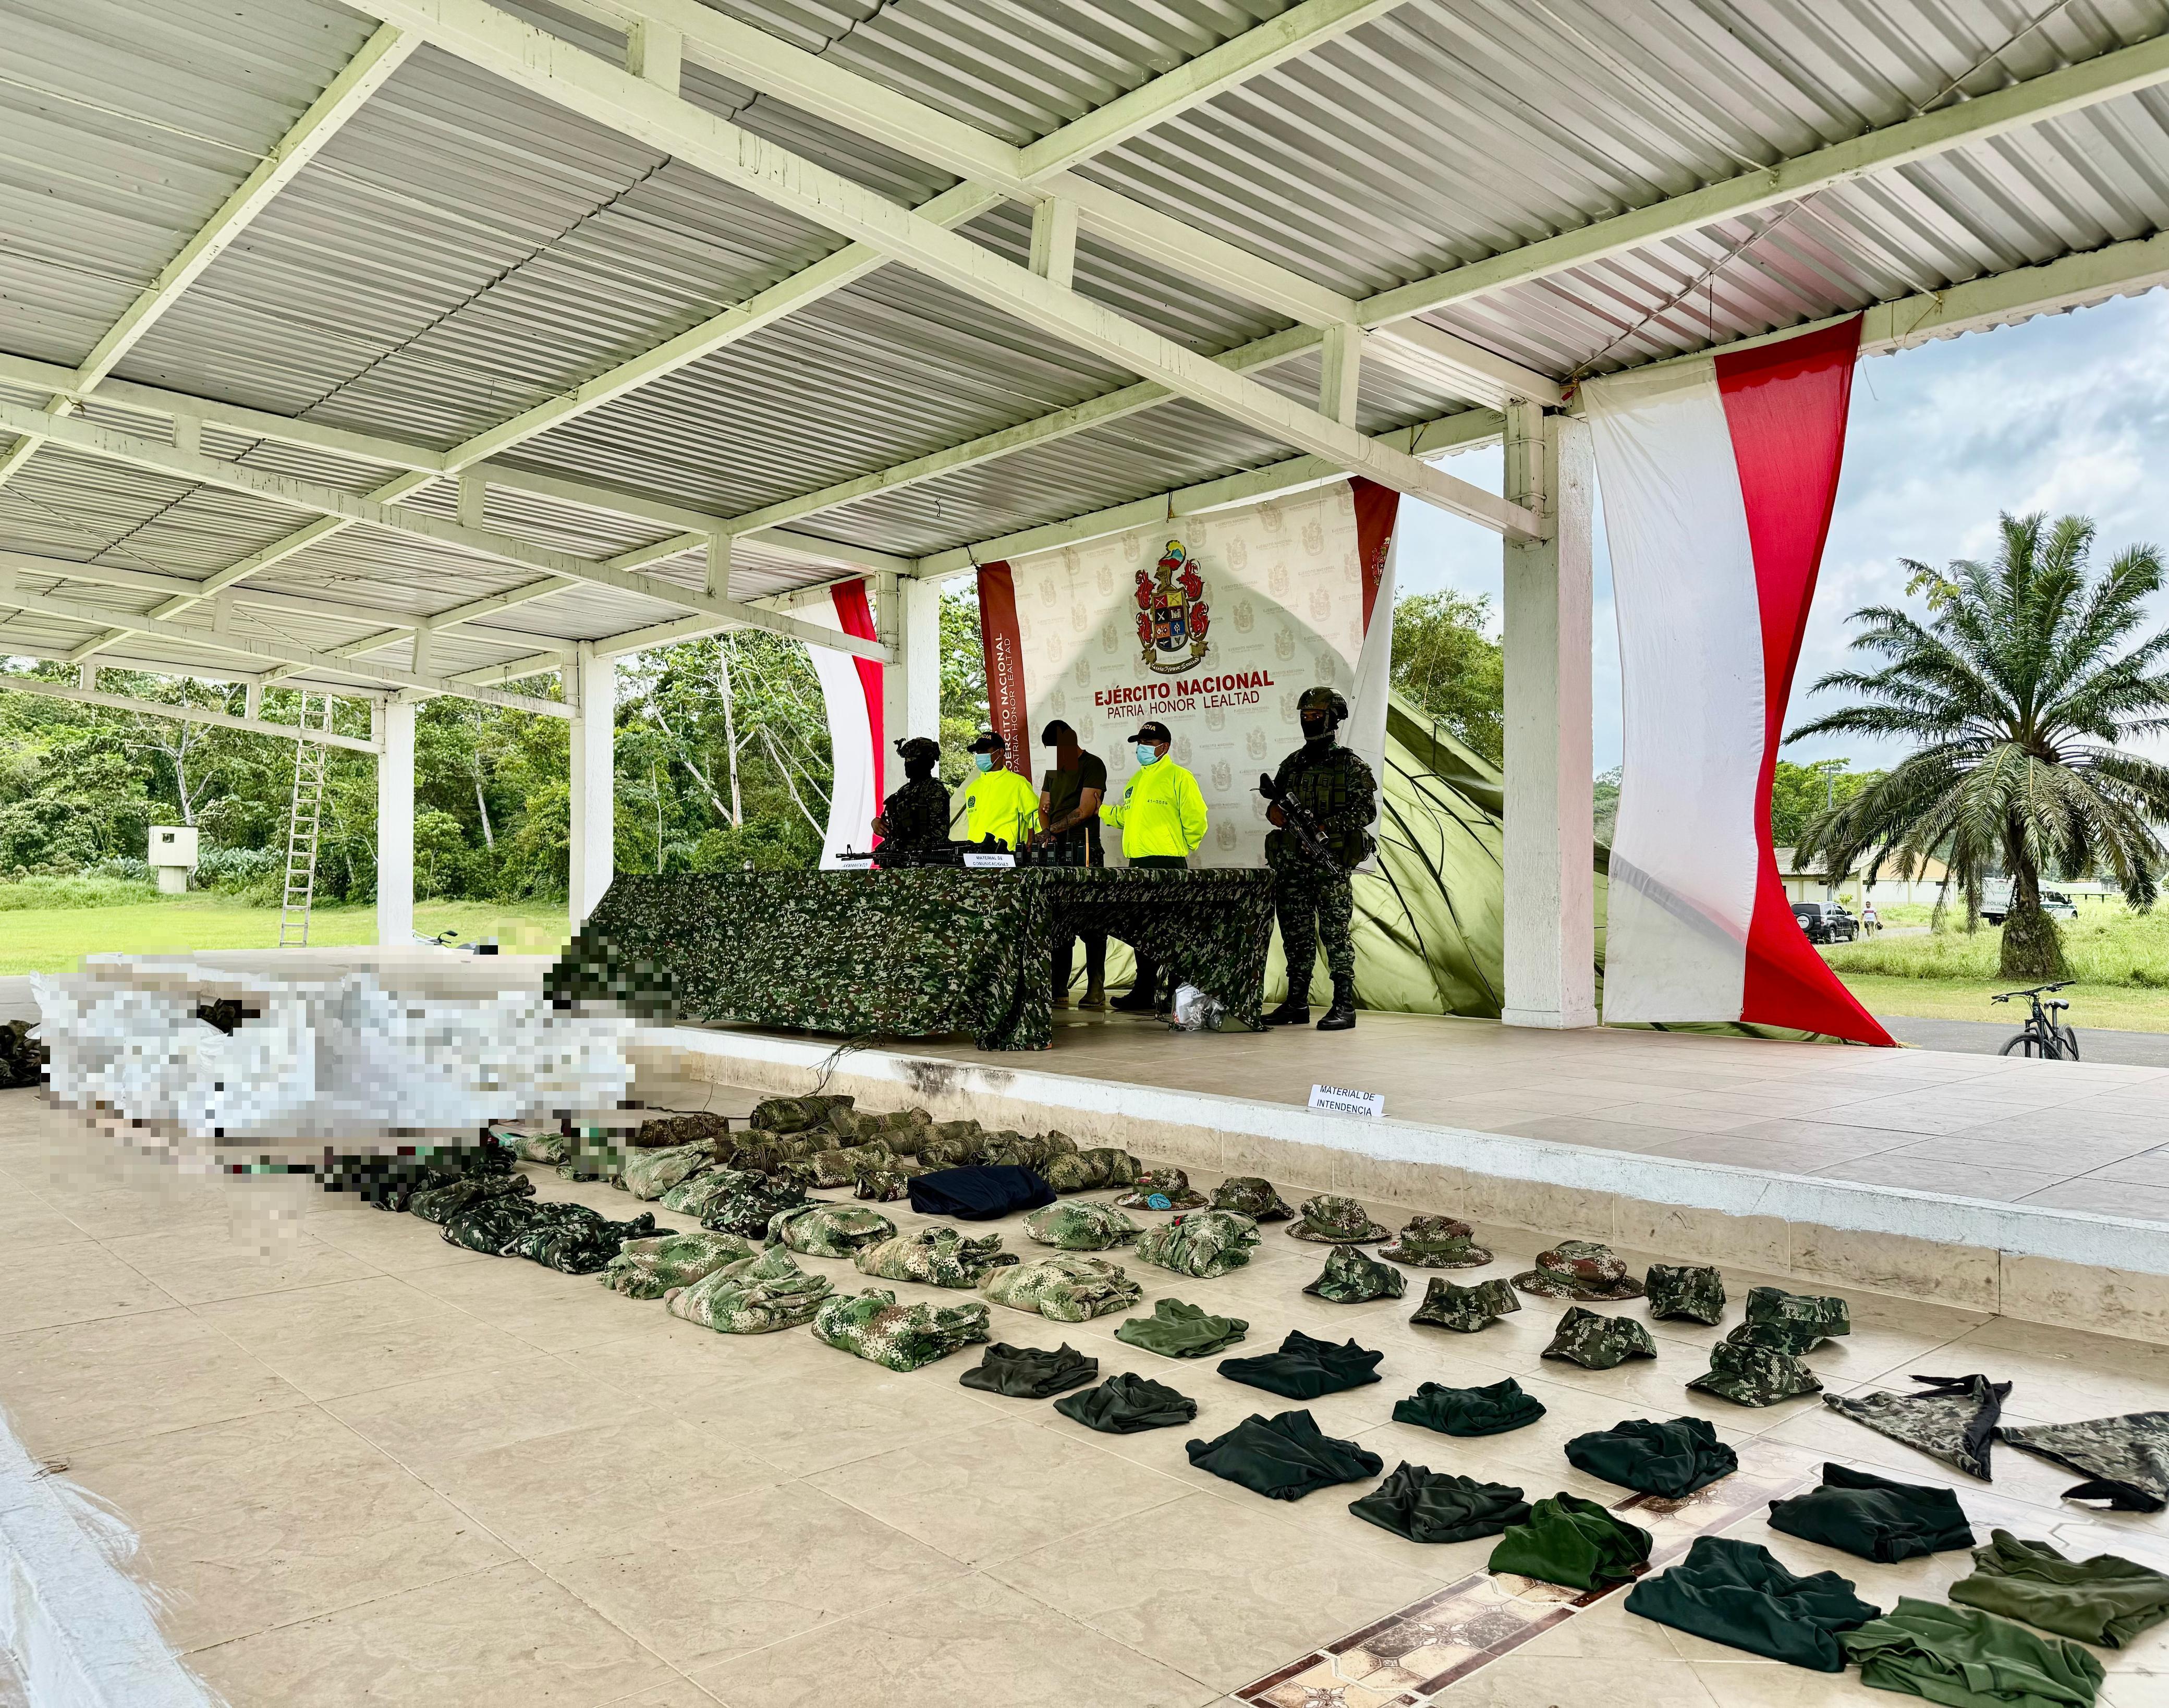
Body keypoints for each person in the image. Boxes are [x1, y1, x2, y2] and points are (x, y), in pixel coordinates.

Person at [1262, 686, 1376, 1032]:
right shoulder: (1292, 764)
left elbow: (1366, 811)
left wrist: (1327, 825)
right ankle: (1297, 1002)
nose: (1309, 721)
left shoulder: (1351, 766)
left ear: (1333, 718)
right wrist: (1275, 814)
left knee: (1335, 935)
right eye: (1305, 716)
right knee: (1295, 935)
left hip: (1330, 863)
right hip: (1293, 863)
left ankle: (1344, 1005)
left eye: (1316, 716)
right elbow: (1275, 804)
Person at [1101, 719, 1208, 1014]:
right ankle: (1144, 991)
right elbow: (1127, 817)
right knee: (1143, 931)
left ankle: (1175, 992)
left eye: (1148, 744)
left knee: (1172, 930)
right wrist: (1103, 811)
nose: (1142, 748)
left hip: (1167, 864)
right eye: (1140, 744)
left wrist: (1180, 846)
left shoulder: (1179, 777)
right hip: (1138, 863)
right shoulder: (1136, 781)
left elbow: (1197, 819)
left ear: (1165, 747)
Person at [1037, 719, 1107, 1010]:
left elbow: (1086, 809)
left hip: (1085, 849)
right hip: (1057, 851)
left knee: (1092, 921)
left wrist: (1052, 829)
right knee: (1056, 920)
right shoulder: (1054, 770)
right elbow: (1044, 806)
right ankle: (1058, 985)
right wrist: (1048, 832)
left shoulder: (1093, 764)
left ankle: (1096, 985)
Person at [961, 730, 1041, 849]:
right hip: (975, 857)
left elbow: (1036, 817)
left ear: (1000, 752)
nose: (980, 755)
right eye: (978, 752)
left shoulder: (1018, 784)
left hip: (1006, 858)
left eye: (984, 751)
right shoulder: (971, 789)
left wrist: (1032, 842)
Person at [872, 736, 950, 851]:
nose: (908, 764)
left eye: (913, 760)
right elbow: (888, 823)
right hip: (902, 859)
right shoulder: (903, 792)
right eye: (906, 760)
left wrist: (907, 851)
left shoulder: (935, 790)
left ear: (928, 763)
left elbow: (938, 835)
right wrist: (877, 823)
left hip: (925, 862)